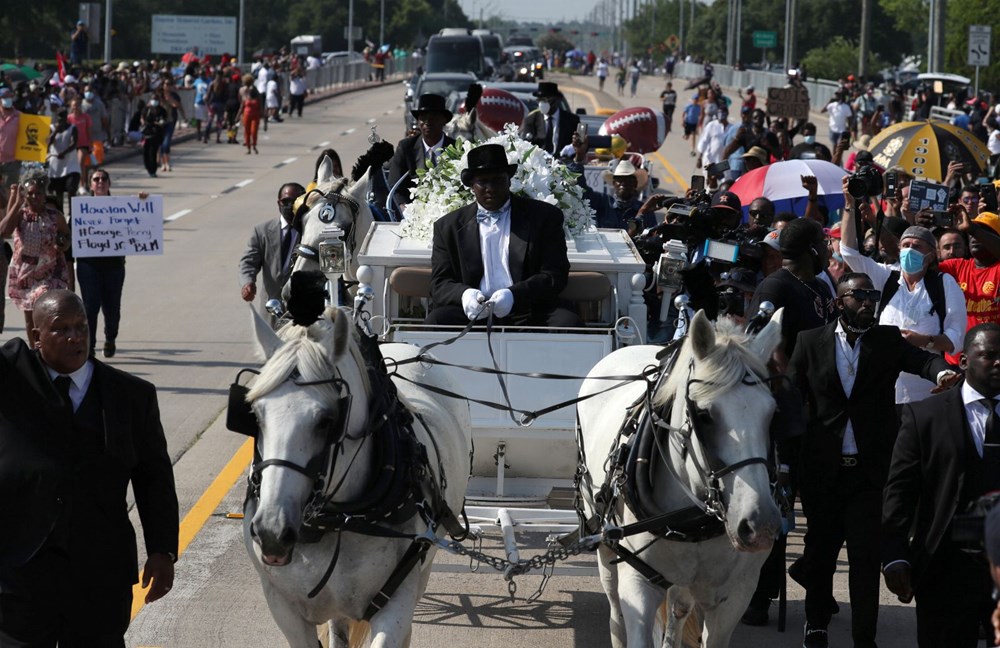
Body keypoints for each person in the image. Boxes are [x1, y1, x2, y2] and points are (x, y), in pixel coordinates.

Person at [0, 288, 178, 647]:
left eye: (81, 327)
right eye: (61, 329)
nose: (75, 337)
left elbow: (154, 479)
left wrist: (162, 550)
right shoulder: (10, 379)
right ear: (36, 337)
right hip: (20, 569)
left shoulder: (131, 396)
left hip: (100, 570)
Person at [788, 272, 957, 648]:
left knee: (865, 560)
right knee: (821, 552)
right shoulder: (809, 342)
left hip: (869, 473)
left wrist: (943, 372)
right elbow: (790, 397)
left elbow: (922, 360)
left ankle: (865, 637)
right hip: (822, 470)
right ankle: (816, 624)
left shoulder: (887, 339)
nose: (867, 302)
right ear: (838, 302)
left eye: (872, 295)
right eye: (858, 295)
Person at [883, 323, 1000, 648]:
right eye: (989, 355)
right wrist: (894, 556)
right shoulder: (925, 417)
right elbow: (900, 492)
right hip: (945, 567)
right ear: (963, 361)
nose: (998, 363)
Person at [425, 143, 583, 328]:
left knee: (568, 323)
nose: (490, 188)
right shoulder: (448, 227)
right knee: (436, 321)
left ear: (509, 180)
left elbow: (555, 274)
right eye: (482, 182)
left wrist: (514, 295)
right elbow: (439, 283)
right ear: (472, 186)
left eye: (497, 180)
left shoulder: (544, 217)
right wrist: (465, 295)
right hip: (473, 314)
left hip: (529, 309)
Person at [841, 187, 967, 402]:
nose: (909, 250)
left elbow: (956, 339)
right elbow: (848, 252)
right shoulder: (886, 277)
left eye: (916, 246)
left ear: (930, 254)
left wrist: (924, 341)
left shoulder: (943, 284)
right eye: (905, 245)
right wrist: (849, 205)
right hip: (885, 388)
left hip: (926, 391)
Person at [78, 168, 146, 358]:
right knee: (90, 308)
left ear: (109, 183)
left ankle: (110, 337)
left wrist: (142, 203)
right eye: (96, 179)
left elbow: (141, 223)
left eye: (103, 179)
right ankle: (89, 348)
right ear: (90, 184)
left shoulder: (122, 207)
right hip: (88, 265)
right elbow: (70, 235)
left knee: (112, 308)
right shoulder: (81, 208)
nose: (100, 182)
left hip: (113, 266)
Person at [2, 178, 71, 345]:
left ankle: (51, 346)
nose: (34, 197)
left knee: (49, 311)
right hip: (26, 275)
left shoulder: (55, 216)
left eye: (38, 193)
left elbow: (67, 238)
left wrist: (63, 242)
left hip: (51, 273)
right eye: (30, 194)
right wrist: (17, 202)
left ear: (44, 195)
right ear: (25, 196)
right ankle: (35, 352)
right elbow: (3, 231)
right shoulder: (21, 216)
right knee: (30, 318)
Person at [239, 182, 306, 313]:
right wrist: (247, 282)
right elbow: (248, 263)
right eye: (285, 201)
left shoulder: (309, 231)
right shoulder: (262, 231)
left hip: (302, 311)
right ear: (278, 203)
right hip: (271, 309)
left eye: (294, 201)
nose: (289, 205)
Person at [388, 93, 455, 206]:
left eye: (433, 118)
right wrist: (405, 209)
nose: (427, 123)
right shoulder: (406, 147)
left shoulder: (456, 149)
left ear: (444, 121)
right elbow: (396, 186)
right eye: (423, 118)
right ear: (418, 122)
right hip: (413, 212)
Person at [518, 82, 580, 156]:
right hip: (539, 163)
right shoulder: (531, 119)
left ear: (556, 100)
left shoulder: (572, 120)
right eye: (539, 100)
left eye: (545, 100)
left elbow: (580, 146)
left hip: (564, 163)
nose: (541, 103)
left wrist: (572, 148)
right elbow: (525, 144)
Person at [139, 95, 168, 177]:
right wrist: (143, 122)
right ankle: (148, 167)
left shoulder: (161, 110)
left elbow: (164, 120)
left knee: (153, 152)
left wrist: (160, 123)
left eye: (156, 99)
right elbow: (142, 118)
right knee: (145, 152)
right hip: (146, 133)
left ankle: (152, 170)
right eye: (153, 99)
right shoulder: (147, 109)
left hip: (156, 134)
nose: (154, 101)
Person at [0, 87, 21, 189]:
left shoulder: (20, 116)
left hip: (12, 161)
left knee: (10, 191)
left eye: (10, 97)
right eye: (4, 97)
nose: (7, 99)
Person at [239, 74, 262, 155]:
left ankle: (254, 145)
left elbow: (260, 103)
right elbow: (242, 104)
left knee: (254, 131)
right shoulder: (243, 91)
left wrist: (262, 113)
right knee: (247, 132)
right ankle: (248, 148)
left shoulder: (256, 91)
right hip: (246, 114)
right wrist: (238, 115)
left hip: (255, 115)